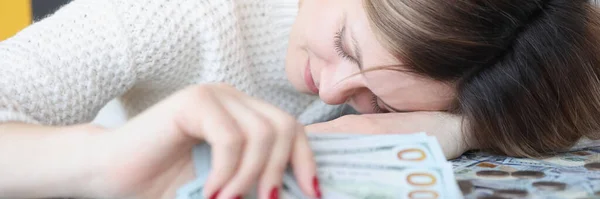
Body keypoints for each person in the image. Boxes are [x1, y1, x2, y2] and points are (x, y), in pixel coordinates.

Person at [1, 0, 600, 198]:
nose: (334, 89)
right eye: (345, 44)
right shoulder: (169, 12)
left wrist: (457, 129)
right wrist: (107, 161)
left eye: (380, 101)